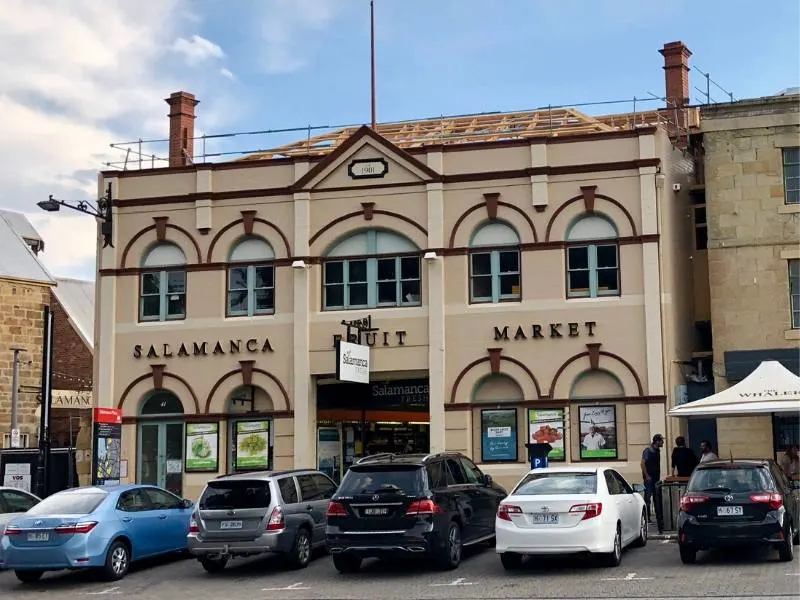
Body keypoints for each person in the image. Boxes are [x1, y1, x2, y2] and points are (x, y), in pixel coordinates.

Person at [641, 434, 664, 522]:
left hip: (655, 477)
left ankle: (658, 518)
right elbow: (642, 463)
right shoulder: (648, 451)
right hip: (649, 478)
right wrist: (647, 476)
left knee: (656, 496)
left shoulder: (657, 451)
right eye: (661, 440)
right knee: (647, 497)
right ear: (657, 441)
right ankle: (647, 518)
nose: (663, 442)